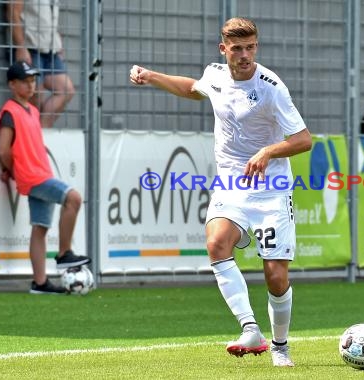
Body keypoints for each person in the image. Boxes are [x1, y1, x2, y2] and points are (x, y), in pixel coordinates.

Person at [129, 17, 312, 366]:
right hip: (232, 184)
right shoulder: (215, 75)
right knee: (215, 242)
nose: (245, 55)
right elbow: (193, 89)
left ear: (256, 46)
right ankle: (250, 329)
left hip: (272, 188)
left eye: (250, 47)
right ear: (223, 48)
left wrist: (267, 151)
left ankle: (280, 346)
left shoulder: (272, 87)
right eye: (238, 48)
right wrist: (152, 76)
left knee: (275, 275)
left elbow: (303, 140)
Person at [0, 61, 91, 294]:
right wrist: (17, 171)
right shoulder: (10, 112)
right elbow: (3, 150)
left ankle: (39, 283)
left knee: (40, 228)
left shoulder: (32, 110)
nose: (31, 86)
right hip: (33, 177)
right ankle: (64, 253)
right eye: (25, 81)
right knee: (74, 198)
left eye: (33, 81)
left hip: (39, 174)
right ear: (12, 84)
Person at [7, 0, 75, 128]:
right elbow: (13, 12)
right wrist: (21, 47)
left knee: (66, 90)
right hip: (31, 47)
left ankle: (41, 131)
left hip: (51, 50)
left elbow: (51, 18)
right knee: (34, 93)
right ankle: (29, 130)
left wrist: (58, 43)